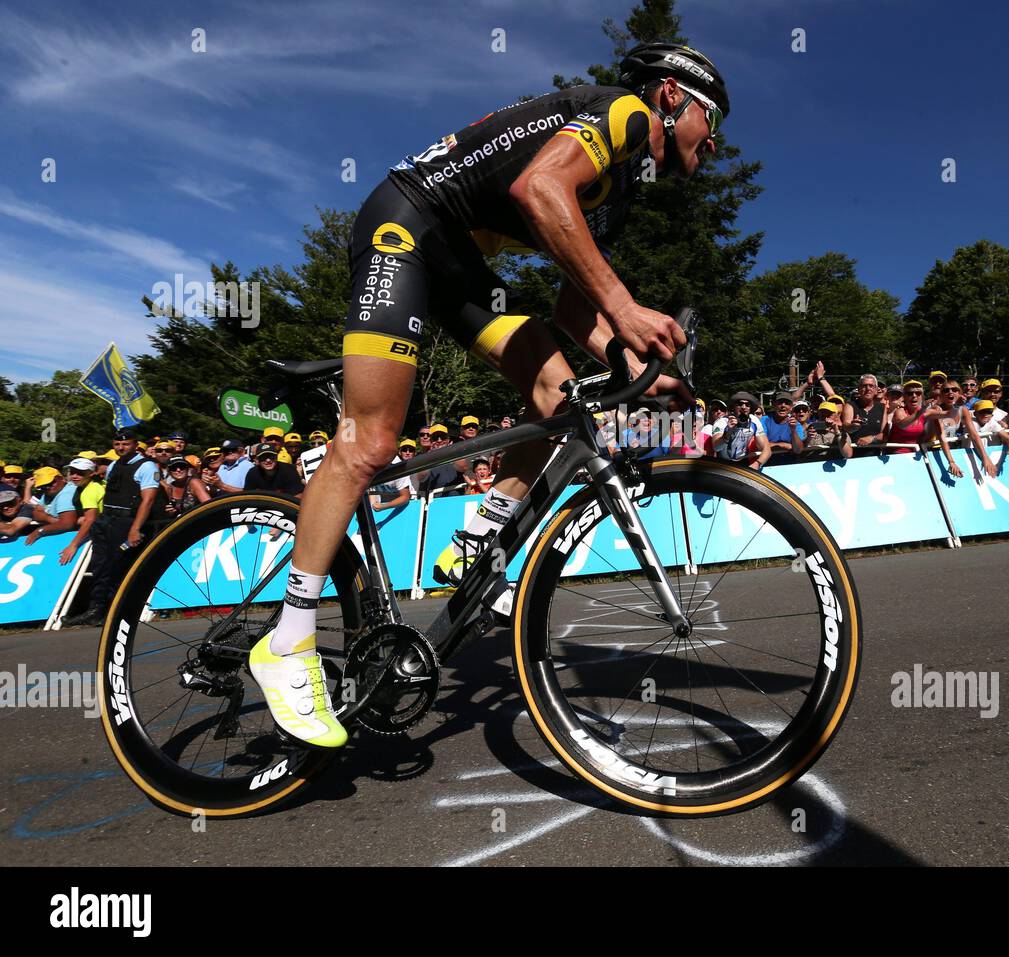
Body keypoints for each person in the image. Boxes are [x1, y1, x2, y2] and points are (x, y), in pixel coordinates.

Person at [247, 42, 723, 747]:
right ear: (670, 97)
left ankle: (475, 541)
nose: (714, 142)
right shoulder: (621, 114)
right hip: (403, 225)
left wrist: (643, 367)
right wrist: (625, 309)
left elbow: (571, 305)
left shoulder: (621, 187)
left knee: (560, 397)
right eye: (711, 121)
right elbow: (540, 190)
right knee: (372, 440)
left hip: (457, 261)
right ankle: (287, 642)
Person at [63, 431, 162, 627]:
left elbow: (148, 500)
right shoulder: (115, 465)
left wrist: (135, 529)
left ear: (135, 445)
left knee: (119, 568)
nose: (120, 447)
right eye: (117, 444)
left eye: (125, 444)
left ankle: (116, 613)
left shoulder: (146, 466)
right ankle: (95, 611)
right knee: (100, 567)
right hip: (106, 521)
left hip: (126, 524)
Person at [22, 466, 80, 544]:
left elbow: (67, 524)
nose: (47, 487)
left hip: (72, 537)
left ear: (61, 478)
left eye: (50, 483)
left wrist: (40, 529)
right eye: (42, 486)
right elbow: (36, 513)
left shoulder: (67, 493)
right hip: (57, 536)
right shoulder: (49, 493)